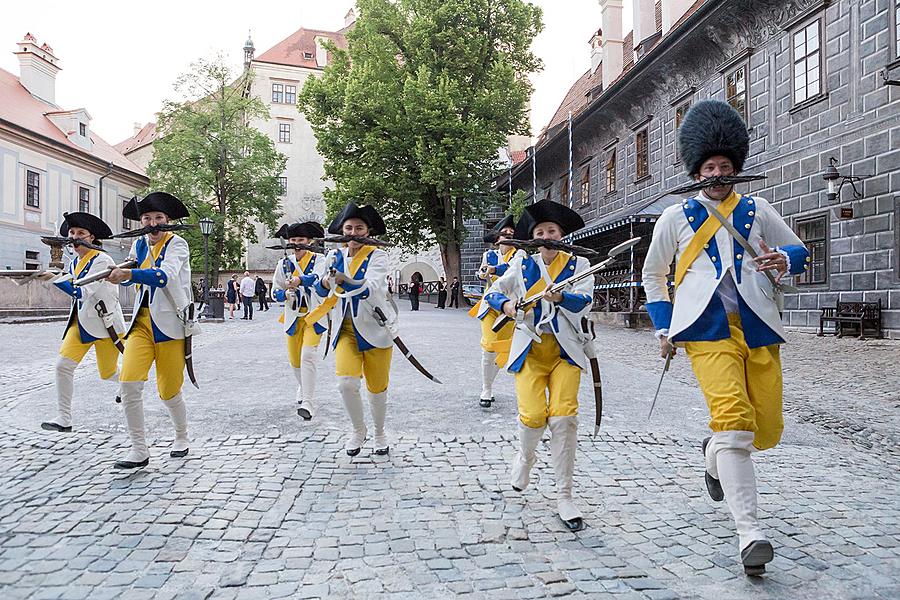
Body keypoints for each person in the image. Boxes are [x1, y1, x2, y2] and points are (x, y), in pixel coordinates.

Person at [642, 100, 811, 576]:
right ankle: (749, 532)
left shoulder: (758, 209)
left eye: (725, 166)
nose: (717, 173)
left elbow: (797, 250)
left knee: (764, 429)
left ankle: (714, 454)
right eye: (709, 167)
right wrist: (663, 325)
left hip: (758, 327)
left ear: (735, 169)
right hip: (704, 329)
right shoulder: (675, 218)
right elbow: (654, 276)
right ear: (696, 170)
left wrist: (783, 259)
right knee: (734, 421)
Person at [484, 200, 593, 532]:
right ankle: (526, 458)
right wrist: (508, 305)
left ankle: (565, 495)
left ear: (561, 235)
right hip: (530, 350)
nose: (546, 236)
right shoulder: (521, 264)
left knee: (564, 420)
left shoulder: (580, 265)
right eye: (540, 232)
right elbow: (492, 294)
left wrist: (562, 298)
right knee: (532, 417)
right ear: (532, 238)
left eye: (552, 231)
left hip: (566, 352)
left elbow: (586, 300)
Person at [107, 191, 196, 469]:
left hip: (170, 325)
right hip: (140, 325)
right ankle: (138, 449)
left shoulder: (177, 244)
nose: (153, 223)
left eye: (158, 217)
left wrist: (129, 274)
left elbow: (163, 276)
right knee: (129, 384)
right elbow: (128, 278)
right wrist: (118, 274)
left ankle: (181, 436)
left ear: (167, 220)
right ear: (141, 222)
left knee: (169, 391)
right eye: (147, 218)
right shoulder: (139, 246)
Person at [313, 202, 394, 456]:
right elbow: (320, 288)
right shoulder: (333, 256)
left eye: (359, 228)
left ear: (368, 231)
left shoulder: (378, 255)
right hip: (344, 330)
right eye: (349, 227)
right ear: (342, 231)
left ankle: (380, 431)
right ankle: (358, 430)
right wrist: (326, 281)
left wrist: (345, 280)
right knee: (346, 384)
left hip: (376, 329)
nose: (353, 232)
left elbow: (369, 287)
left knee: (377, 388)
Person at [41, 212, 126, 432]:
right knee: (62, 367)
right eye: (72, 233)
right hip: (81, 323)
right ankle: (64, 417)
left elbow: (81, 292)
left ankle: (131, 383)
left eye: (81, 233)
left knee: (108, 373)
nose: (75, 237)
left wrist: (55, 278)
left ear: (92, 237)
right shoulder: (75, 262)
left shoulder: (103, 260)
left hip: (107, 326)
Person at [270, 221, 328, 420]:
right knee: (295, 361)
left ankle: (309, 402)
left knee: (308, 355)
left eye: (301, 240)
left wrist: (299, 280)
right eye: (293, 240)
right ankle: (304, 387)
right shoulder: (283, 264)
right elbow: (274, 291)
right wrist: (284, 293)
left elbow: (318, 278)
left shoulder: (320, 259)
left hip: (314, 315)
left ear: (309, 241)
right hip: (293, 316)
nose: (297, 244)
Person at [470, 215, 525, 408]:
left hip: (510, 308)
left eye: (512, 233)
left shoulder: (520, 255)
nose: (508, 236)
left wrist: (493, 270)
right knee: (489, 346)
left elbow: (510, 270)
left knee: (504, 349)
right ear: (497, 239)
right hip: (490, 306)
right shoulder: (489, 255)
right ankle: (486, 388)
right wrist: (483, 272)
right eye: (505, 234)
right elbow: (482, 272)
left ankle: (488, 384)